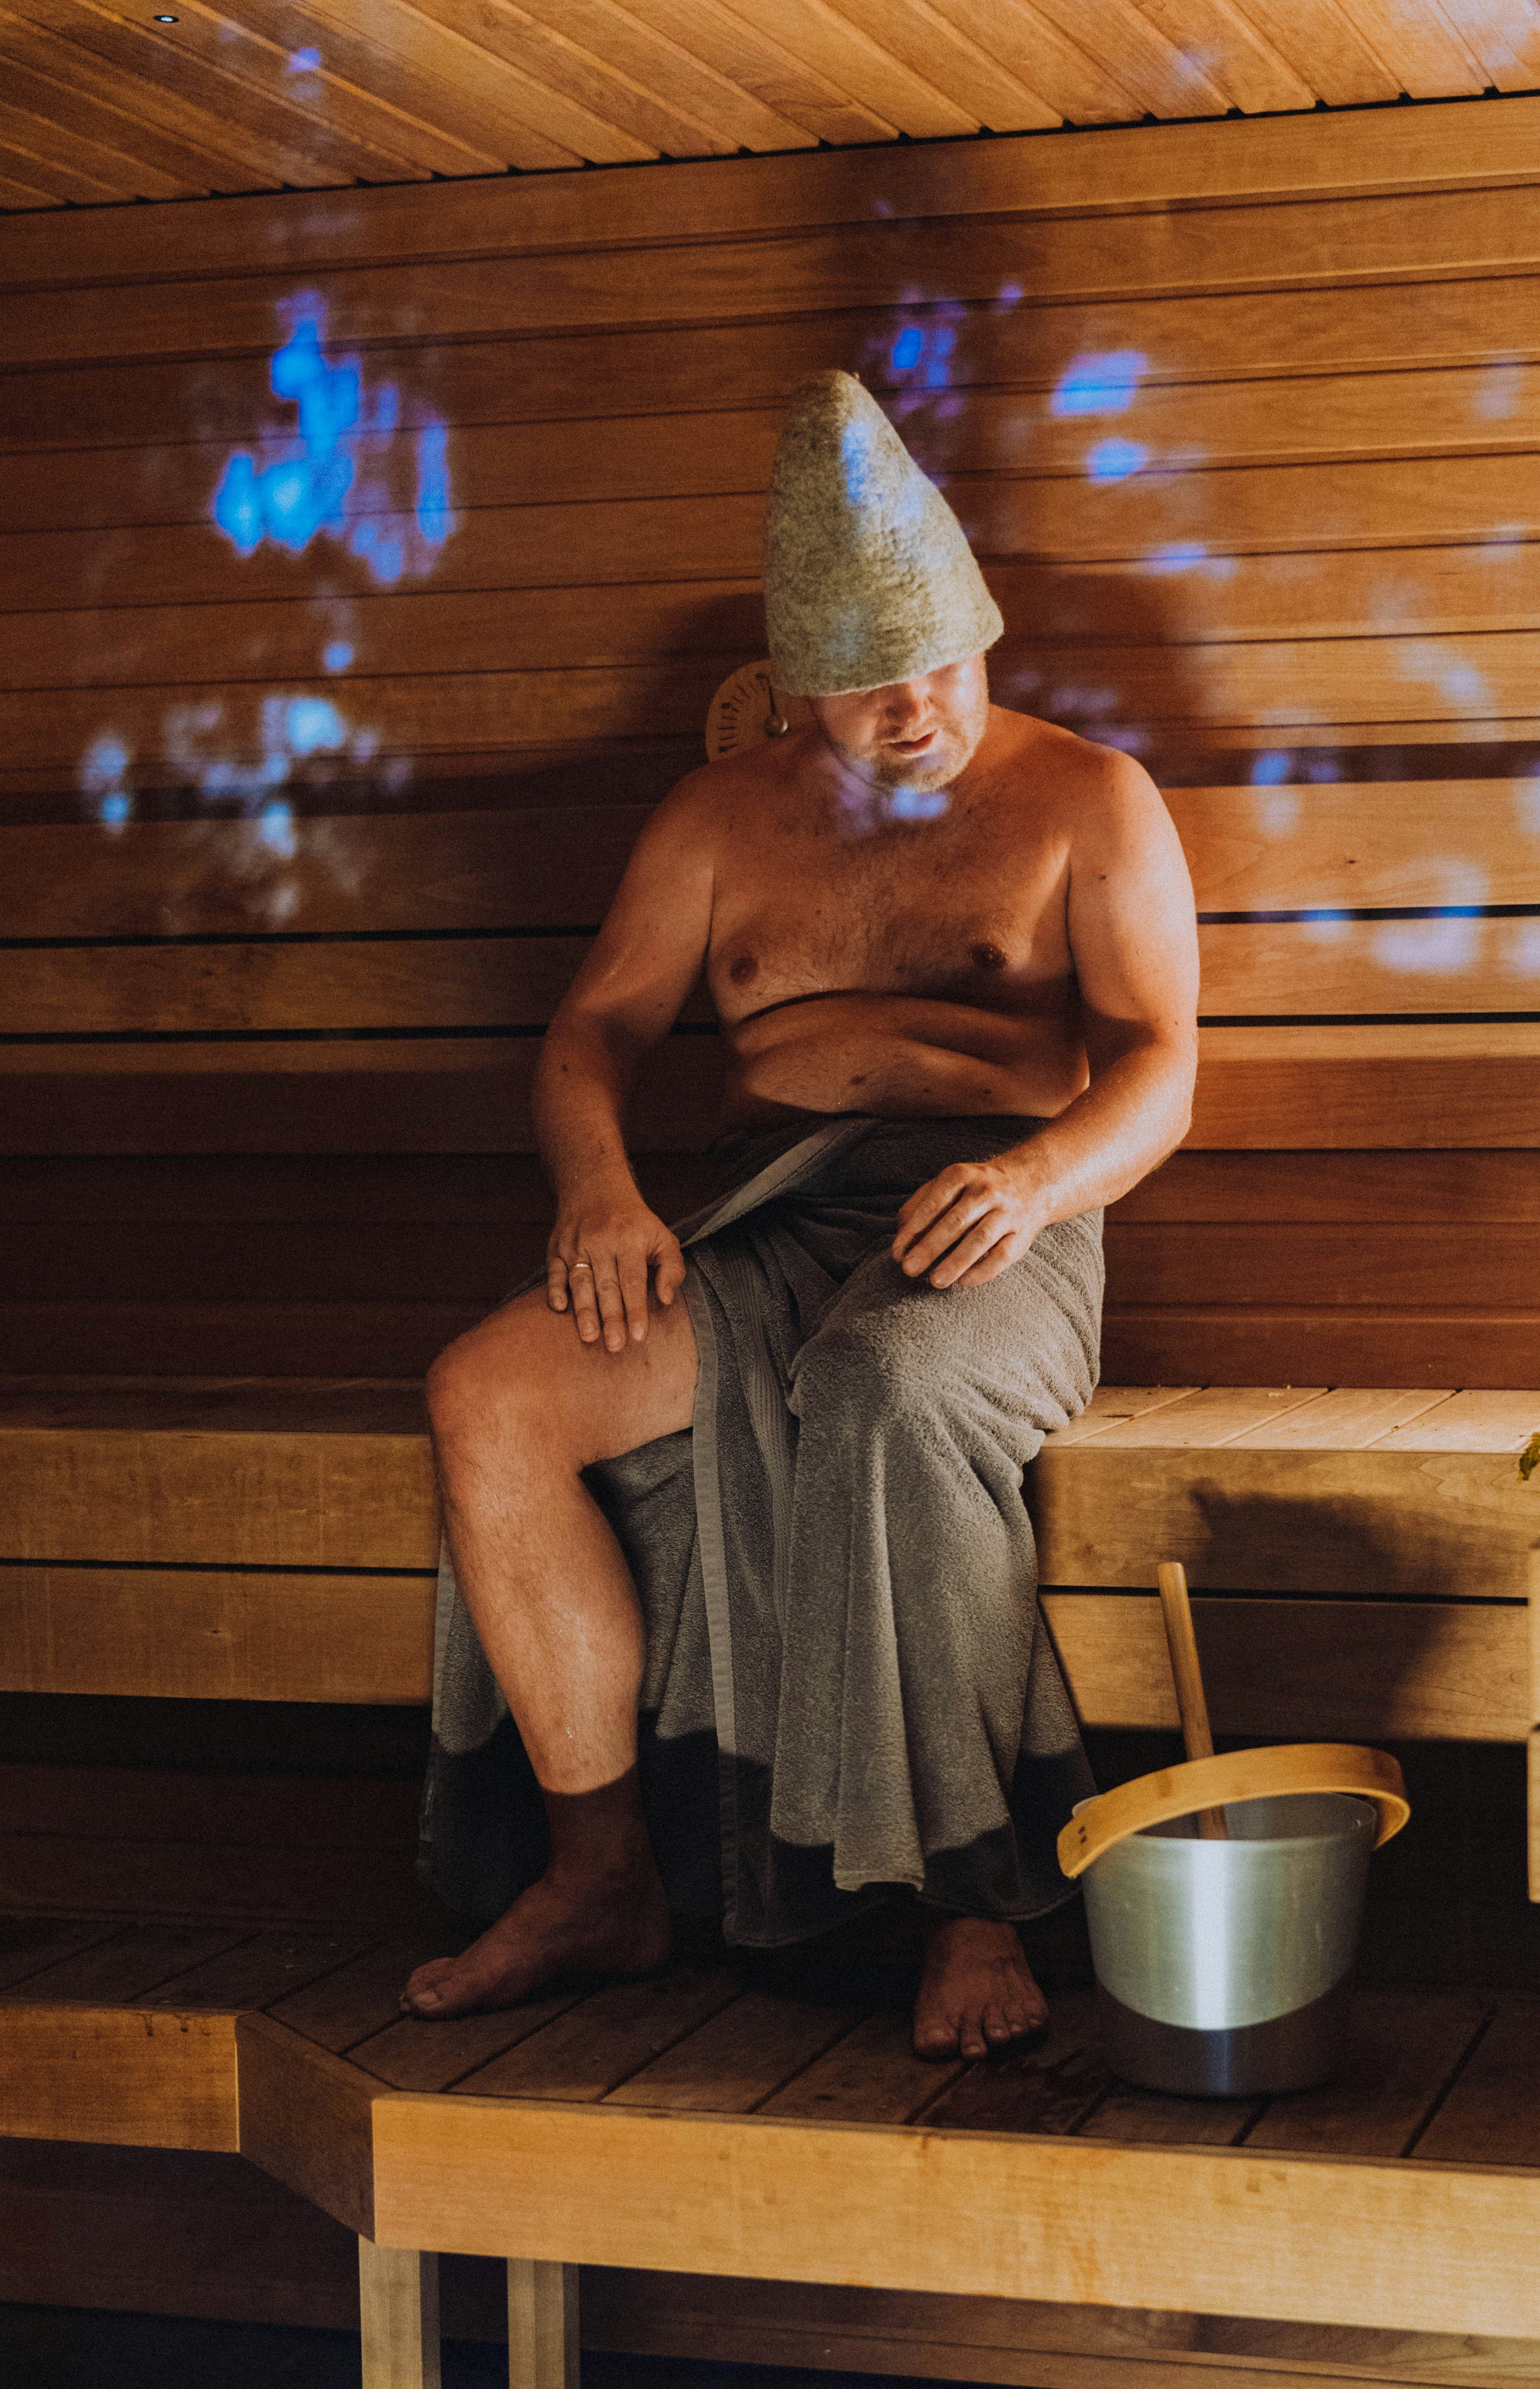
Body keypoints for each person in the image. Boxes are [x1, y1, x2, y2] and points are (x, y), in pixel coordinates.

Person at [403, 369, 1198, 2061]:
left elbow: (1162, 1065)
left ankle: (970, 1898)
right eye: (860, 686)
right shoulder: (718, 819)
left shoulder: (1089, 799)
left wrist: (1040, 1174)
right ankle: (601, 1873)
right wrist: (600, 1194)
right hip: (765, 1222)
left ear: (983, 634)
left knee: (887, 1389)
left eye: (937, 666)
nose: (912, 709)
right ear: (789, 691)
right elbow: (592, 1034)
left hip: (999, 1221)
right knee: (492, 1393)